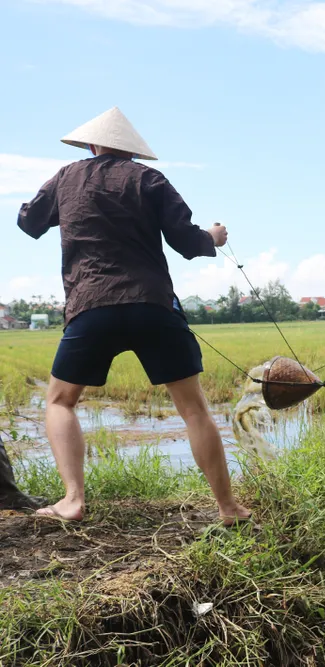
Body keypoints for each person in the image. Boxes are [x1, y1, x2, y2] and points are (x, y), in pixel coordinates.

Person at [16, 107, 251, 525]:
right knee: (194, 409)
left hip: (91, 305)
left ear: (91, 144)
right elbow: (186, 240)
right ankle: (228, 508)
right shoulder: (149, 179)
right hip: (152, 305)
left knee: (59, 400)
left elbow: (29, 222)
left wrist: (60, 206)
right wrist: (212, 238)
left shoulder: (66, 178)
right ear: (132, 152)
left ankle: (72, 500)